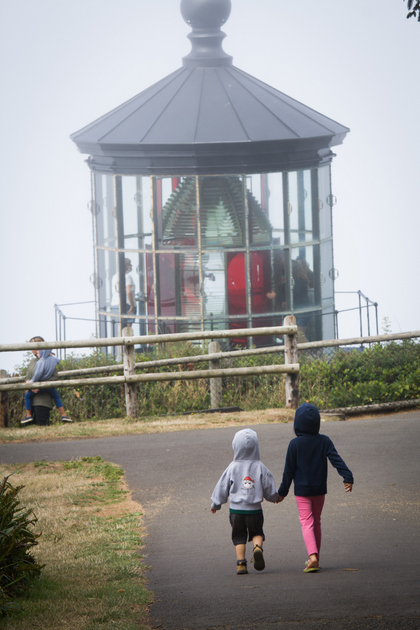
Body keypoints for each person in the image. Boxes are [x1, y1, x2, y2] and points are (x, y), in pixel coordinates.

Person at [277, 403, 354, 573]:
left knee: (306, 522)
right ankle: (316, 558)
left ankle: (312, 556)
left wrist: (282, 493)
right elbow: (336, 460)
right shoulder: (324, 441)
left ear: (297, 424)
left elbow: (288, 472)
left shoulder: (294, 444)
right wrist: (347, 477)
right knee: (316, 521)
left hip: (302, 492)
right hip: (319, 490)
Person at [210, 428, 279, 575]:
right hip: (255, 510)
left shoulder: (232, 467)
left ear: (235, 446)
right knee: (257, 532)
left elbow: (222, 486)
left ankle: (241, 564)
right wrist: (274, 497)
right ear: (256, 447)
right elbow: (268, 485)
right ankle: (257, 548)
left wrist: (216, 503)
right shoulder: (260, 467)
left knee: (239, 536)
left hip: (236, 511)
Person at [21, 344, 72, 425]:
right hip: (49, 386)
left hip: (40, 385)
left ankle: (28, 415)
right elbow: (58, 361)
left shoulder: (41, 362)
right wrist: (50, 355)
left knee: (27, 396)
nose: (37, 355)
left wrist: (31, 383)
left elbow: (37, 375)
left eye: (38, 353)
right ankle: (63, 415)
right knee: (56, 398)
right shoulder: (53, 360)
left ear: (42, 352)